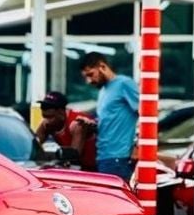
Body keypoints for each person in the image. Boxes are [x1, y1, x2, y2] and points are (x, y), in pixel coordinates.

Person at [80, 52, 139, 181]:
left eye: (91, 74)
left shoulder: (124, 83)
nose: (89, 81)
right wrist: (92, 124)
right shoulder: (103, 91)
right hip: (103, 157)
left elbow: (147, 115)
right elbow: (109, 120)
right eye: (86, 77)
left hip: (119, 158)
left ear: (102, 67)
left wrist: (138, 146)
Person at [35, 91, 98, 171]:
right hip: (79, 167)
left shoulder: (76, 124)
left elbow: (73, 157)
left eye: (50, 117)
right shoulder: (46, 124)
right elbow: (33, 146)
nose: (46, 121)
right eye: (44, 117)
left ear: (61, 113)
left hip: (94, 167)